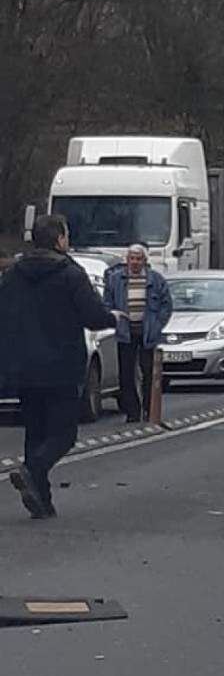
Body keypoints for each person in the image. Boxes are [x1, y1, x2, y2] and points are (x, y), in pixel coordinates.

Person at [0, 214, 121, 519]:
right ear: (58, 240)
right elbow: (91, 314)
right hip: (61, 364)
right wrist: (112, 318)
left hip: (24, 365)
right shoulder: (71, 274)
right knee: (65, 433)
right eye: (66, 235)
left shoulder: (14, 275)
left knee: (36, 431)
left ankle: (42, 500)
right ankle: (33, 470)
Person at [103, 243, 172, 423]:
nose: (134, 262)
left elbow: (166, 305)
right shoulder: (116, 280)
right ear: (127, 260)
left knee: (148, 373)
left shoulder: (156, 280)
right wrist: (114, 318)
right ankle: (133, 411)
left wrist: (157, 325)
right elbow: (107, 302)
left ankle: (149, 410)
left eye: (138, 259)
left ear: (145, 261)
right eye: (132, 258)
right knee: (126, 374)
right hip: (125, 332)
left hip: (148, 332)